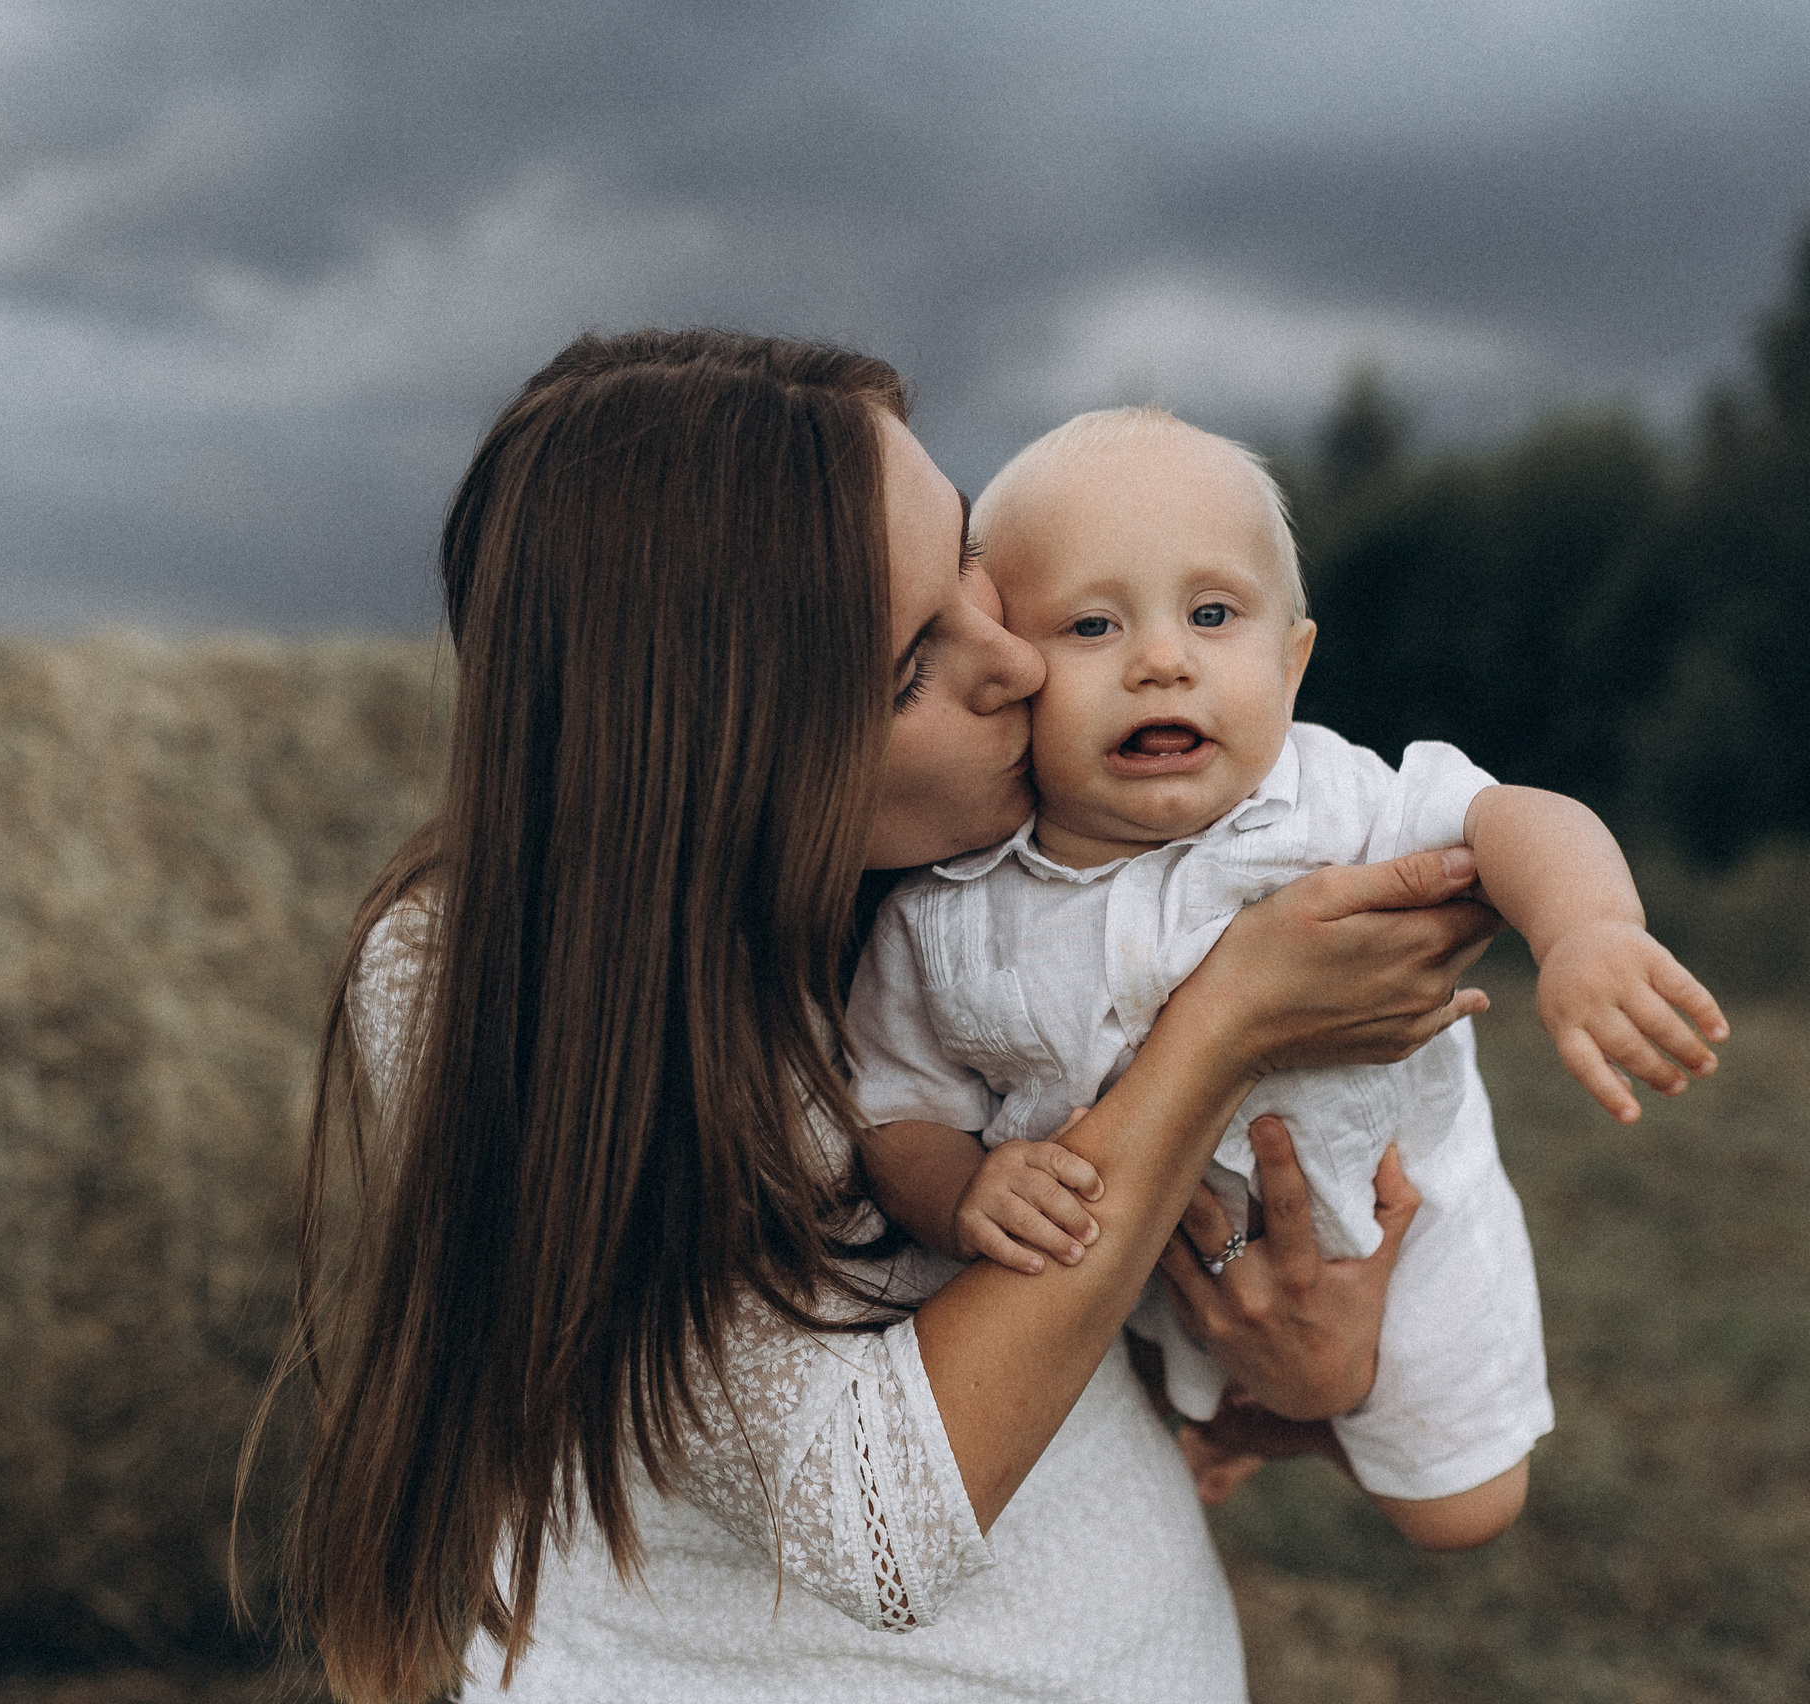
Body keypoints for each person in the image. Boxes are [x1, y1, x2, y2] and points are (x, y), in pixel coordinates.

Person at [262, 330, 1505, 1702]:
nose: (1022, 664)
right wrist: (1223, 1032)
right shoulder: (466, 975)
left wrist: (1316, 1388)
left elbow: (1080, 1333)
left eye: (974, 570)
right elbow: (869, 1507)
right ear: (727, 741)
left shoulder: (972, 881)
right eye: (916, 660)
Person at [844, 406, 1730, 1553]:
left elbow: (1512, 819)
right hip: (1141, 1274)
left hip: (1395, 1218)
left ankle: (1294, 1422)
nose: (1160, 658)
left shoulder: (1331, 804)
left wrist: (1587, 931)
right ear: (1014, 667)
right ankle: (1234, 1417)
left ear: (1290, 659)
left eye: (1212, 616)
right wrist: (958, 1189)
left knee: (1460, 1511)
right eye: (1091, 625)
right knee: (1146, 1397)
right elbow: (896, 1101)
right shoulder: (949, 909)